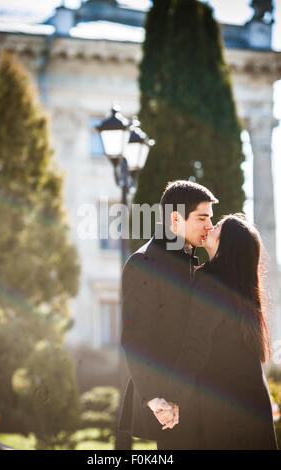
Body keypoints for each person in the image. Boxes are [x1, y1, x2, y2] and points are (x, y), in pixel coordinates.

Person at [158, 213, 278, 450]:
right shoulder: (243, 293)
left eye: (218, 227)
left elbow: (196, 346)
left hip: (226, 407)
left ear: (228, 244)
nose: (210, 227)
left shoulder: (210, 283)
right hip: (252, 403)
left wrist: (171, 397)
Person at [118, 179, 218, 447]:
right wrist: (155, 398)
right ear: (176, 218)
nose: (210, 225)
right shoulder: (144, 263)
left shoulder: (191, 258)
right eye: (202, 218)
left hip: (202, 402)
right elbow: (135, 337)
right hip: (169, 407)